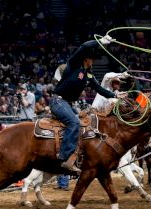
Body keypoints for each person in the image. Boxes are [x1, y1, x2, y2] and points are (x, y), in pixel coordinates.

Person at [51, 35, 126, 174]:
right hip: (58, 101)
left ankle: (76, 155)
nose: (93, 61)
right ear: (86, 58)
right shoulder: (73, 66)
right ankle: (64, 157)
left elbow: (100, 89)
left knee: (86, 125)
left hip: (66, 103)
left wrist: (115, 95)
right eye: (92, 58)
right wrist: (99, 41)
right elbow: (84, 47)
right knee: (74, 123)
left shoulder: (89, 75)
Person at [91, 72, 151, 201]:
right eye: (115, 83)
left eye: (118, 84)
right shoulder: (104, 88)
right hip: (94, 119)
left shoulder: (116, 95)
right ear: (111, 83)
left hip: (104, 123)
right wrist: (123, 74)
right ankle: (141, 191)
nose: (117, 86)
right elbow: (107, 75)